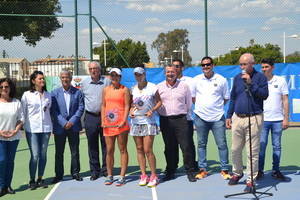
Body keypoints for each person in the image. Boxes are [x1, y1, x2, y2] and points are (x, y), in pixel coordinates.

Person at [226, 53, 268, 192]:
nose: (242, 67)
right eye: (241, 64)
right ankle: (237, 173)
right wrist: (229, 115)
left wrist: (251, 83)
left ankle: (251, 180)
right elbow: (233, 98)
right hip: (238, 118)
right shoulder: (237, 78)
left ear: (252, 63)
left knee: (252, 151)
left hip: (254, 117)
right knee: (235, 149)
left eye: (245, 64)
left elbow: (264, 95)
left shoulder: (260, 77)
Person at [191, 56, 231, 180]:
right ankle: (202, 169)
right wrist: (203, 108)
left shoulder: (221, 80)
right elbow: (193, 98)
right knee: (201, 144)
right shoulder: (196, 80)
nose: (205, 67)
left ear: (213, 65)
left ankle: (224, 169)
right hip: (200, 117)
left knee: (222, 144)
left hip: (218, 118)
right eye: (203, 65)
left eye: (208, 64)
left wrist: (216, 108)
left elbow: (226, 98)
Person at [157, 64, 197, 182]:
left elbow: (189, 103)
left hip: (181, 120)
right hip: (166, 120)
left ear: (177, 73)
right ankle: (170, 170)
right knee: (169, 147)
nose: (170, 74)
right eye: (168, 72)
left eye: (172, 72)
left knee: (186, 146)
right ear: (165, 73)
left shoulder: (184, 86)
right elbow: (157, 102)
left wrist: (182, 112)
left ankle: (190, 171)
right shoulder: (159, 87)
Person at [129, 66, 162, 187]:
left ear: (144, 74)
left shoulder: (153, 87)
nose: (138, 76)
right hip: (136, 122)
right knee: (139, 149)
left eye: (140, 74)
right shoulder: (133, 89)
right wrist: (130, 111)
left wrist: (152, 110)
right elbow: (132, 104)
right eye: (136, 75)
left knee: (148, 150)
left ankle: (154, 175)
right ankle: (143, 175)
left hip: (149, 122)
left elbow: (159, 101)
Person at [257, 58, 289, 181]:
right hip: (262, 120)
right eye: (263, 67)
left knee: (277, 146)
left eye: (266, 67)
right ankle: (259, 171)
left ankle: (276, 170)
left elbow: (285, 100)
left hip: (277, 120)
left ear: (272, 67)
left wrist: (286, 118)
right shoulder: (259, 81)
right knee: (261, 146)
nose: (264, 69)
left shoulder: (280, 81)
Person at [51, 70, 85, 184]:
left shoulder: (78, 92)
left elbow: (81, 108)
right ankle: (59, 175)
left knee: (75, 151)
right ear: (60, 78)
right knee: (59, 152)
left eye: (67, 77)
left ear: (71, 78)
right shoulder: (54, 93)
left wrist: (71, 121)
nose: (65, 79)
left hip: (74, 127)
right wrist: (63, 123)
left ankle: (75, 173)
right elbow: (54, 111)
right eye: (63, 77)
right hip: (60, 128)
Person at [21, 71, 52, 190]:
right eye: (39, 79)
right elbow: (23, 112)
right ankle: (32, 180)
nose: (42, 81)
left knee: (43, 155)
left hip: (46, 129)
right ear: (33, 81)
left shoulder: (48, 95)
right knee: (35, 155)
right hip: (32, 129)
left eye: (43, 79)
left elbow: (49, 111)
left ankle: (40, 178)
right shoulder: (27, 95)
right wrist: (22, 126)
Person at [81, 61, 110, 180]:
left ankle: (106, 169)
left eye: (95, 68)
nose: (93, 71)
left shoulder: (107, 82)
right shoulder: (84, 83)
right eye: (91, 69)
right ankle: (94, 171)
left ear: (99, 70)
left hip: (105, 117)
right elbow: (81, 100)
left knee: (106, 145)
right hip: (90, 117)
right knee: (92, 145)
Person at [101, 68, 130, 186]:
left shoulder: (125, 90)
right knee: (109, 150)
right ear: (110, 77)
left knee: (122, 150)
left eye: (116, 75)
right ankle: (110, 175)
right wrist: (103, 120)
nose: (114, 77)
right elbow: (103, 105)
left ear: (120, 77)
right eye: (112, 75)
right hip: (108, 125)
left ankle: (122, 176)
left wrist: (123, 120)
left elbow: (128, 105)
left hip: (121, 125)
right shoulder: (105, 90)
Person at [172, 59, 198, 172]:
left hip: (186, 118)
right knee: (172, 144)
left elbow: (193, 99)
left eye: (177, 66)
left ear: (182, 68)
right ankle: (173, 166)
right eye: (173, 66)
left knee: (187, 144)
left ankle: (191, 166)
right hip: (172, 119)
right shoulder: (169, 81)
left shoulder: (190, 81)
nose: (175, 69)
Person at [0, 78, 24, 197]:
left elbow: (21, 118)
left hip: (14, 137)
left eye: (6, 86)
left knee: (10, 161)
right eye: (1, 87)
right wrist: (0, 132)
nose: (4, 89)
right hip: (0, 137)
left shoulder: (16, 102)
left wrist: (15, 130)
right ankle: (1, 186)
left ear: (10, 88)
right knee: (2, 160)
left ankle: (8, 186)